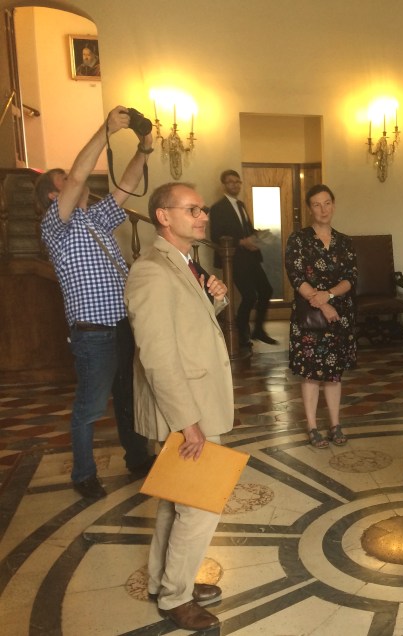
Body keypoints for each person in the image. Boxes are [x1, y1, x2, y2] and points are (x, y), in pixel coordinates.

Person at [125, 182, 233, 631]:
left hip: (196, 401)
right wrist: (188, 422)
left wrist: (217, 297)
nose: (203, 216)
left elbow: (192, 326)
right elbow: (158, 356)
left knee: (177, 501)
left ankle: (162, 581)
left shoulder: (186, 263)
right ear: (163, 216)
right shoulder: (151, 270)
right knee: (200, 507)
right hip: (186, 409)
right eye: (192, 209)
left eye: (203, 209)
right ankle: (175, 596)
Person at [37, 105, 155, 500]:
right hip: (93, 334)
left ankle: (137, 457)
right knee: (89, 408)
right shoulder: (56, 226)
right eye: (64, 180)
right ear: (53, 195)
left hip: (121, 325)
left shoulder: (95, 219)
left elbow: (126, 185)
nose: (77, 179)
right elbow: (77, 176)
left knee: (128, 398)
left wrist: (144, 148)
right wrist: (105, 131)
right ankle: (83, 473)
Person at [284, 184, 357, 448]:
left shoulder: (345, 242)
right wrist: (322, 302)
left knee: (334, 374)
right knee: (311, 373)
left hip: (340, 314)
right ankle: (313, 427)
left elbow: (351, 278)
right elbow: (296, 277)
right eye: (316, 204)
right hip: (310, 316)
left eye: (327, 203)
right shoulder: (298, 240)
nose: (323, 209)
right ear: (309, 209)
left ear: (333, 205)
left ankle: (335, 425)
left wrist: (329, 295)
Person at [209, 169, 276, 348]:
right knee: (249, 296)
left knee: (266, 290)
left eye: (237, 182)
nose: (235, 185)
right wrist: (241, 242)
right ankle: (241, 333)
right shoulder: (218, 208)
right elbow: (216, 236)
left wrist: (257, 237)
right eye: (230, 182)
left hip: (251, 256)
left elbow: (246, 229)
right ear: (224, 185)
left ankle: (259, 330)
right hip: (234, 259)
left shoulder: (241, 205)